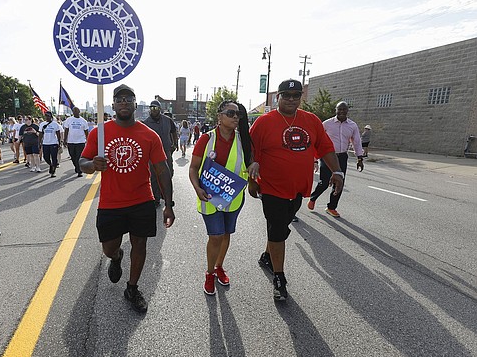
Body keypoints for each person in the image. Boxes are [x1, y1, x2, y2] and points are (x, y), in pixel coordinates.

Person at [79, 84, 175, 313]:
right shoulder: (99, 133)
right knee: (109, 248)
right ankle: (117, 256)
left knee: (140, 244)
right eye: (119, 99)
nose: (123, 102)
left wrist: (168, 205)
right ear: (112, 105)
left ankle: (132, 288)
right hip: (111, 202)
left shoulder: (148, 135)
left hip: (142, 200)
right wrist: (92, 164)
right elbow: (82, 163)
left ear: (134, 104)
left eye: (128, 99)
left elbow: (162, 170)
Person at [248, 79, 343, 301]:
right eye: (286, 95)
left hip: (298, 188)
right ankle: (279, 278)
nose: (291, 99)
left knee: (280, 225)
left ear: (301, 97)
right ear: (277, 97)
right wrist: (251, 180)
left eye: (296, 95)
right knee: (277, 228)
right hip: (271, 187)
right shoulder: (263, 122)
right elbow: (251, 152)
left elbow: (325, 147)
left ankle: (267, 255)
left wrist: (337, 172)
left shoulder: (311, 121)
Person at [189, 100, 251, 295]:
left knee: (225, 234)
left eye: (238, 114)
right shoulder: (206, 139)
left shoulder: (244, 141)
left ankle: (219, 266)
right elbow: (192, 168)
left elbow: (251, 162)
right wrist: (197, 188)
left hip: (233, 197)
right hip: (209, 197)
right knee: (215, 236)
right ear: (219, 116)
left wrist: (254, 165)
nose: (235, 117)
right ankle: (209, 273)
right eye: (230, 113)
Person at [307, 101, 364, 218]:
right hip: (327, 156)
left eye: (344, 109)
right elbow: (317, 141)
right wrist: (315, 159)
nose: (342, 111)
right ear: (336, 110)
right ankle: (313, 198)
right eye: (340, 109)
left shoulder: (352, 125)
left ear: (347, 111)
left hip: (342, 156)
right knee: (324, 182)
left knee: (339, 183)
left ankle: (331, 207)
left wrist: (360, 158)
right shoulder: (327, 124)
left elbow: (357, 142)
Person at [142, 100, 178, 207]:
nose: (154, 110)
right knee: (154, 176)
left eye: (156, 108)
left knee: (169, 172)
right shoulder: (146, 123)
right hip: (152, 154)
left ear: (160, 109)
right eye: (152, 108)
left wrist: (175, 144)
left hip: (166, 151)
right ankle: (156, 198)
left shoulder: (168, 120)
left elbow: (173, 132)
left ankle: (165, 194)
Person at [63, 106, 89, 177]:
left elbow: (86, 131)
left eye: (76, 111)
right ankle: (76, 167)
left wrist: (88, 140)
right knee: (72, 156)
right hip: (71, 141)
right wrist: (65, 139)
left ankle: (79, 171)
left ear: (79, 112)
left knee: (78, 156)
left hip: (80, 142)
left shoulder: (83, 121)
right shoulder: (69, 120)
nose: (75, 112)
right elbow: (66, 130)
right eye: (74, 111)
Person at [39, 111, 63, 178]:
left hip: (53, 143)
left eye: (48, 116)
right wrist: (39, 143)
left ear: (51, 117)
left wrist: (59, 142)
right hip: (45, 143)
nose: (47, 117)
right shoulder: (42, 124)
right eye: (46, 116)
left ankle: (53, 171)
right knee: (46, 157)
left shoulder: (55, 124)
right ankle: (51, 165)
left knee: (54, 157)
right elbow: (40, 134)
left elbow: (58, 134)